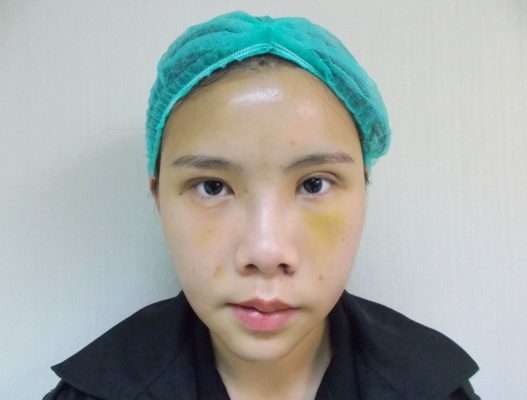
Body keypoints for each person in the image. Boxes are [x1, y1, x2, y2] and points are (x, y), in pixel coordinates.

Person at [43, 10, 480, 400]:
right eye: (212, 187)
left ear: (364, 190)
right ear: (158, 197)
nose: (266, 253)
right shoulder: (90, 394)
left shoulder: (432, 389)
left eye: (314, 184)